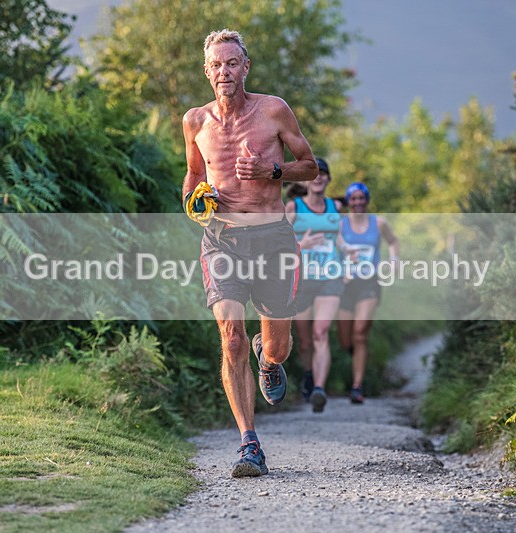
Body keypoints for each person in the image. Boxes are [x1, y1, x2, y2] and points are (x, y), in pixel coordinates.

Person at [182, 29, 318, 477]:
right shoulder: (194, 122)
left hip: (274, 239)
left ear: (245, 67)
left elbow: (310, 165)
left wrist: (272, 169)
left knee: (276, 346)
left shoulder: (273, 110)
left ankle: (270, 356)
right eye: (216, 65)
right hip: (221, 240)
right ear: (207, 71)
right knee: (230, 338)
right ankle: (249, 444)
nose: (224, 71)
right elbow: (191, 177)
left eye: (232, 63)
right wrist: (194, 200)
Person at [285, 157, 343, 413]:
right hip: (302, 279)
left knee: (321, 332)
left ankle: (319, 388)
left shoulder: (334, 208)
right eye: (314, 173)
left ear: (329, 179)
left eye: (323, 173)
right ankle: (309, 374)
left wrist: (350, 251)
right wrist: (301, 246)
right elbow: (279, 243)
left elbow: (340, 241)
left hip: (331, 277)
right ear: (306, 179)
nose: (318, 177)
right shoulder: (294, 208)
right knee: (305, 340)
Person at [336, 182, 399, 404]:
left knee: (360, 332)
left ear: (367, 200)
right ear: (349, 201)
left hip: (369, 283)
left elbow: (393, 241)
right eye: (353, 198)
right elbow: (333, 246)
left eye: (362, 198)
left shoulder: (379, 223)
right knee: (346, 340)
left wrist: (394, 259)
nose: (358, 202)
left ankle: (357, 386)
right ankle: (357, 357)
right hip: (345, 284)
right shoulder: (341, 225)